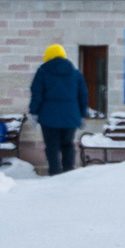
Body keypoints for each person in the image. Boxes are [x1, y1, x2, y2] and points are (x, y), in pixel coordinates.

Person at [28, 44, 87, 175]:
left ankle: (55, 173)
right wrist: (83, 114)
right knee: (68, 145)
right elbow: (83, 95)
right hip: (71, 116)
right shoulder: (75, 73)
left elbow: (37, 93)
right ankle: (68, 172)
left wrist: (34, 112)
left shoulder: (43, 71)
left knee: (52, 147)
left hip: (49, 117)